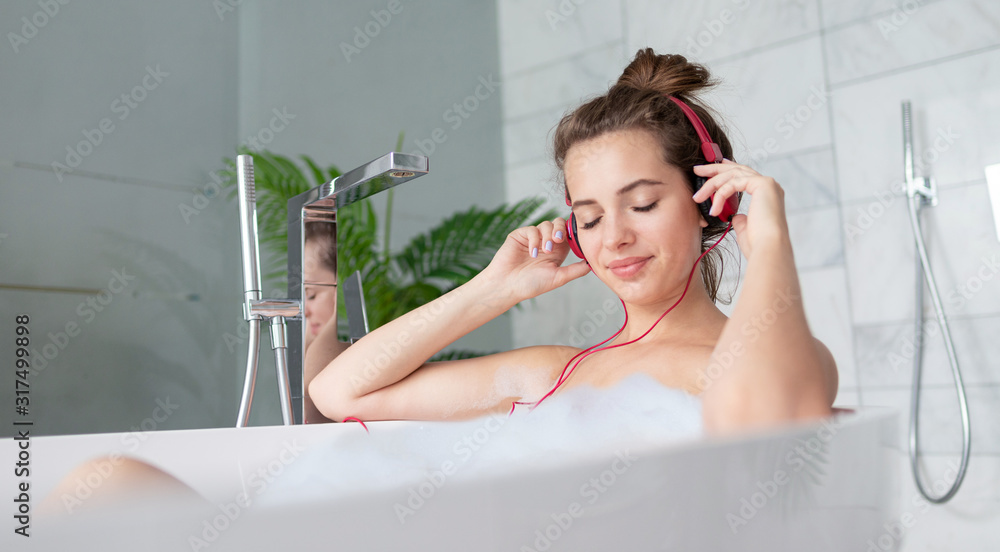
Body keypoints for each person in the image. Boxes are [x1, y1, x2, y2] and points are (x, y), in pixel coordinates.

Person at [306, 49, 838, 433]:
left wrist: (771, 247)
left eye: (643, 204)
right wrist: (495, 289)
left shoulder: (764, 361)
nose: (616, 238)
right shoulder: (554, 373)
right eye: (589, 217)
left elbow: (781, 411)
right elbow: (339, 392)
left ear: (708, 201)